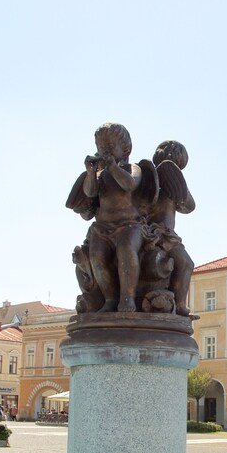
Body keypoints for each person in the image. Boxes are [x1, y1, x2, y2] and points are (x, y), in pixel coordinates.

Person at [80, 123, 145, 312]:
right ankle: (109, 299)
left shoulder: (132, 168)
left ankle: (128, 297)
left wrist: (114, 167)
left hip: (129, 225)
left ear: (126, 149)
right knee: (97, 257)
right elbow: (90, 193)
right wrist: (91, 173)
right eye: (101, 148)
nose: (104, 152)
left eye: (109, 148)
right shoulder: (100, 175)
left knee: (126, 250)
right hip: (102, 227)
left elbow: (130, 184)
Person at [146, 140, 196, 316]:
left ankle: (179, 304)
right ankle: (180, 305)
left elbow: (189, 206)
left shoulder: (170, 182)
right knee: (186, 264)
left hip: (167, 235)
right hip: (156, 232)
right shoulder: (148, 176)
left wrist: (177, 181)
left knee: (186, 263)